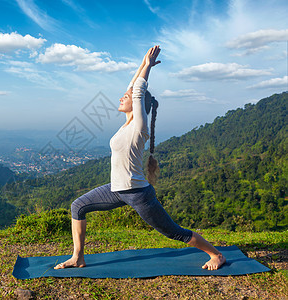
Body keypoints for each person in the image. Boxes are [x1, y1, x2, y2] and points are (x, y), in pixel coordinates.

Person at [54, 45, 226, 271]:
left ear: (137, 106)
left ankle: (216, 254)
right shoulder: (127, 125)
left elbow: (136, 91)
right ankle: (78, 257)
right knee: (78, 206)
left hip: (137, 193)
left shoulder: (139, 126)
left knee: (173, 232)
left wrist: (147, 69)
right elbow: (133, 87)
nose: (121, 97)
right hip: (116, 189)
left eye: (126, 97)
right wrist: (144, 64)